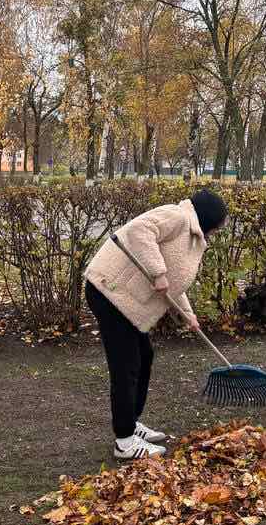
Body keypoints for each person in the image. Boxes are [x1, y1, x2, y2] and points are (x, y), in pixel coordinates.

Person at [83, 189, 228, 460]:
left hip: (125, 300)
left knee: (144, 356)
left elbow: (173, 283)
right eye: (218, 226)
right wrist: (157, 272)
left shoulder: (192, 236)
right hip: (109, 292)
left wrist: (187, 314)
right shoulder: (178, 217)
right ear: (207, 218)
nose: (216, 232)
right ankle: (124, 442)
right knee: (126, 365)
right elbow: (139, 230)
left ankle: (131, 422)